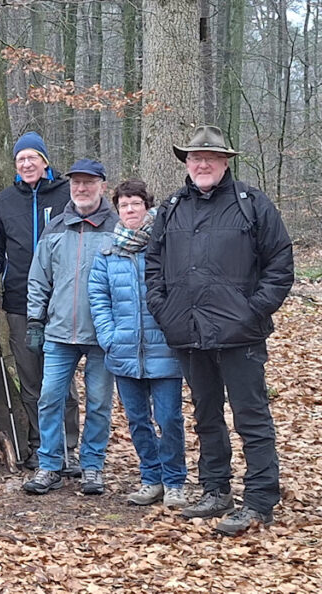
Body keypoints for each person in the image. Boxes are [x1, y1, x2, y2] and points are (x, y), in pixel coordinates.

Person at [147, 125, 293, 536]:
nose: (203, 164)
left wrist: (253, 311)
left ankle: (260, 500)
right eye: (196, 158)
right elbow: (153, 266)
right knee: (206, 415)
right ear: (187, 163)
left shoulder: (252, 204)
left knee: (251, 418)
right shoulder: (173, 208)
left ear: (225, 162)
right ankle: (216, 490)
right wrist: (164, 310)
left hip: (240, 334)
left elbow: (280, 264)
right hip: (188, 331)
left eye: (211, 157)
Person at [0, 132, 81, 473]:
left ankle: (68, 447)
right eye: (20, 159)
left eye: (32, 157)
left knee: (62, 379)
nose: (26, 164)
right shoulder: (5, 201)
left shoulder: (67, 195)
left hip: (63, 301)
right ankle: (41, 446)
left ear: (44, 161)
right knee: (31, 378)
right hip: (20, 302)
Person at [23, 159, 119, 497]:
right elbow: (39, 278)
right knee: (50, 398)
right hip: (59, 331)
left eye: (89, 182)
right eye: (76, 182)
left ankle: (92, 465)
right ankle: (50, 464)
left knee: (99, 403)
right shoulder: (55, 228)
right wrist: (35, 320)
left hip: (102, 334)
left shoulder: (116, 228)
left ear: (102, 186)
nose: (82, 188)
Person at [88, 179, 187, 508]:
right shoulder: (108, 252)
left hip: (165, 350)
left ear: (147, 206)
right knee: (138, 420)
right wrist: (109, 337)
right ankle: (151, 478)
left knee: (169, 419)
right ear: (117, 210)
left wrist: (175, 332)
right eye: (124, 205)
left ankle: (174, 482)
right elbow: (98, 298)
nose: (130, 210)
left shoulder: (165, 244)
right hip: (124, 351)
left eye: (136, 204)